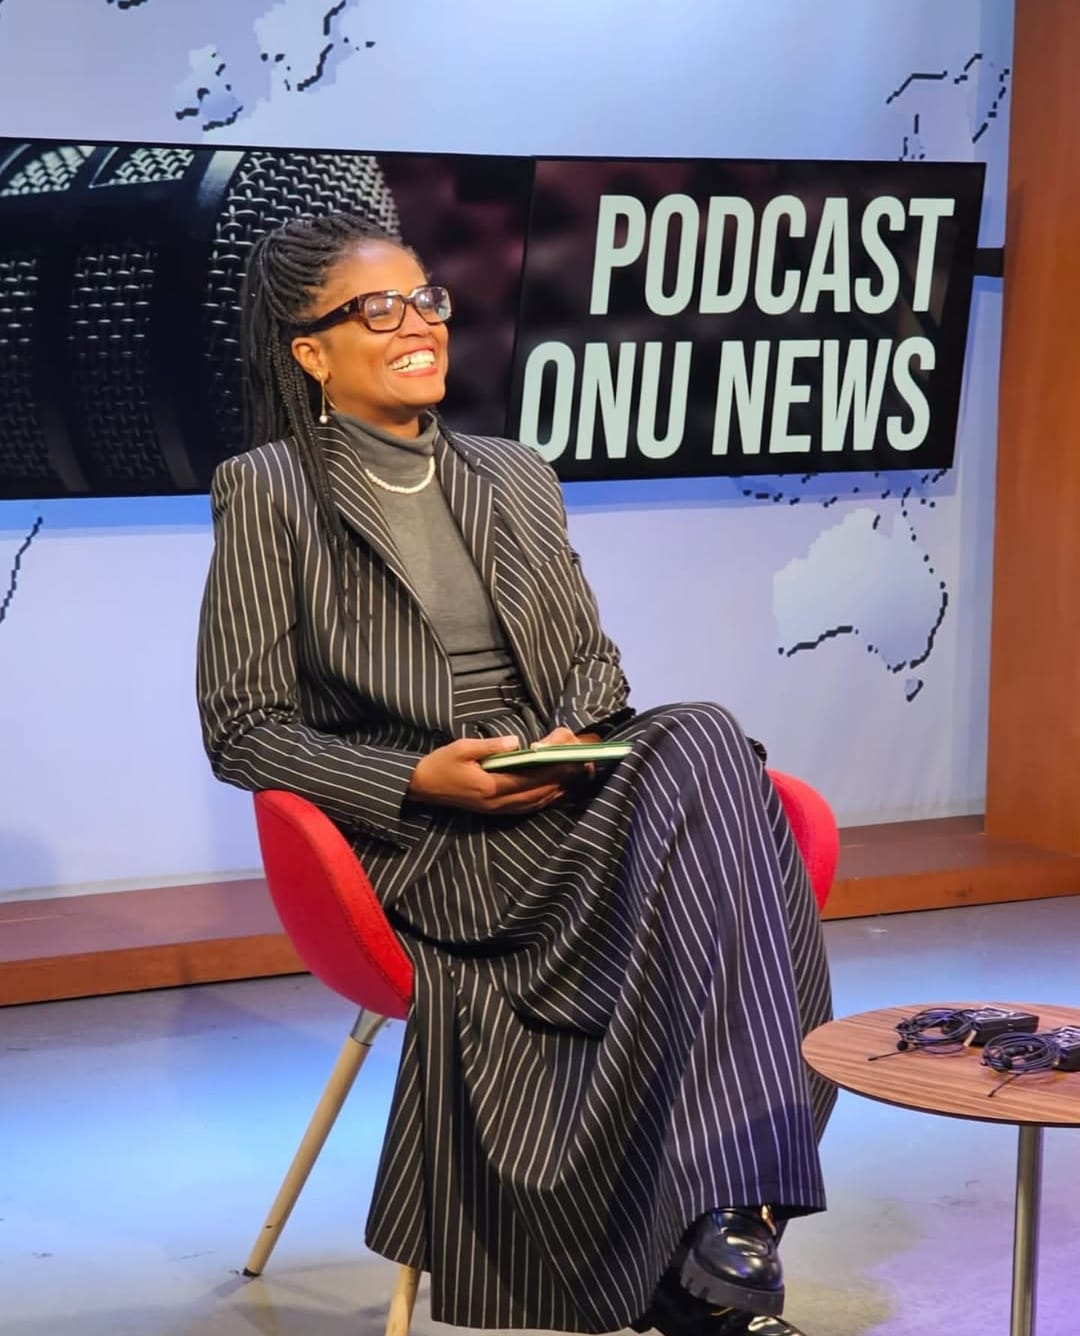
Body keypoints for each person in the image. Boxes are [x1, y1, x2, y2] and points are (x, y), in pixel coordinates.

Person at [196, 211, 835, 1336]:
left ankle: (724, 1228)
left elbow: (593, 666)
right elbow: (242, 728)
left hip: (561, 795)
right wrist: (420, 780)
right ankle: (727, 1237)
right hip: (435, 837)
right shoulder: (268, 490)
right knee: (715, 814)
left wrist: (568, 739)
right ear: (311, 351)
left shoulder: (515, 472)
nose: (416, 324)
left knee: (700, 731)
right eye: (377, 309)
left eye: (425, 299)